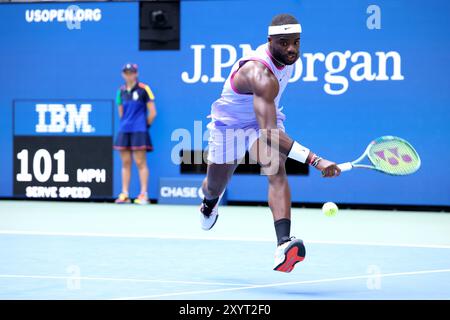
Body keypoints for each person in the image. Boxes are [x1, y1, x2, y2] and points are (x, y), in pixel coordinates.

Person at [200, 14, 341, 273]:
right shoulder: (259, 73)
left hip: (265, 119)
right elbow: (269, 133)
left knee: (276, 170)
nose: (292, 49)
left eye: (296, 43)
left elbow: (267, 129)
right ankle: (209, 204)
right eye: (284, 43)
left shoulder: (288, 61)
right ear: (270, 41)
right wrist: (316, 160)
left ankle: (283, 243)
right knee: (214, 185)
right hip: (230, 126)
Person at [113, 63, 157, 205]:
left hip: (139, 131)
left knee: (140, 162)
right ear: (123, 74)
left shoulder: (144, 89)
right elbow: (121, 113)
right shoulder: (120, 91)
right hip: (124, 130)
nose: (129, 75)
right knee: (125, 163)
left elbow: (152, 113)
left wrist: (145, 125)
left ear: (136, 74)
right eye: (126, 72)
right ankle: (124, 194)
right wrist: (127, 123)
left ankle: (143, 194)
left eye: (131, 72)